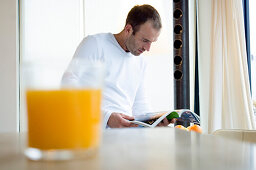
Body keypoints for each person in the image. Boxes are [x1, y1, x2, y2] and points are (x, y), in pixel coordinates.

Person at [62, 4, 169, 128]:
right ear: (128, 29)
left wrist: (154, 122)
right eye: (145, 40)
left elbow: (140, 105)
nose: (148, 48)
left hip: (126, 136)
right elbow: (67, 87)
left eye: (152, 42)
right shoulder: (95, 44)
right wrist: (107, 118)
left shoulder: (140, 62)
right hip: (93, 131)